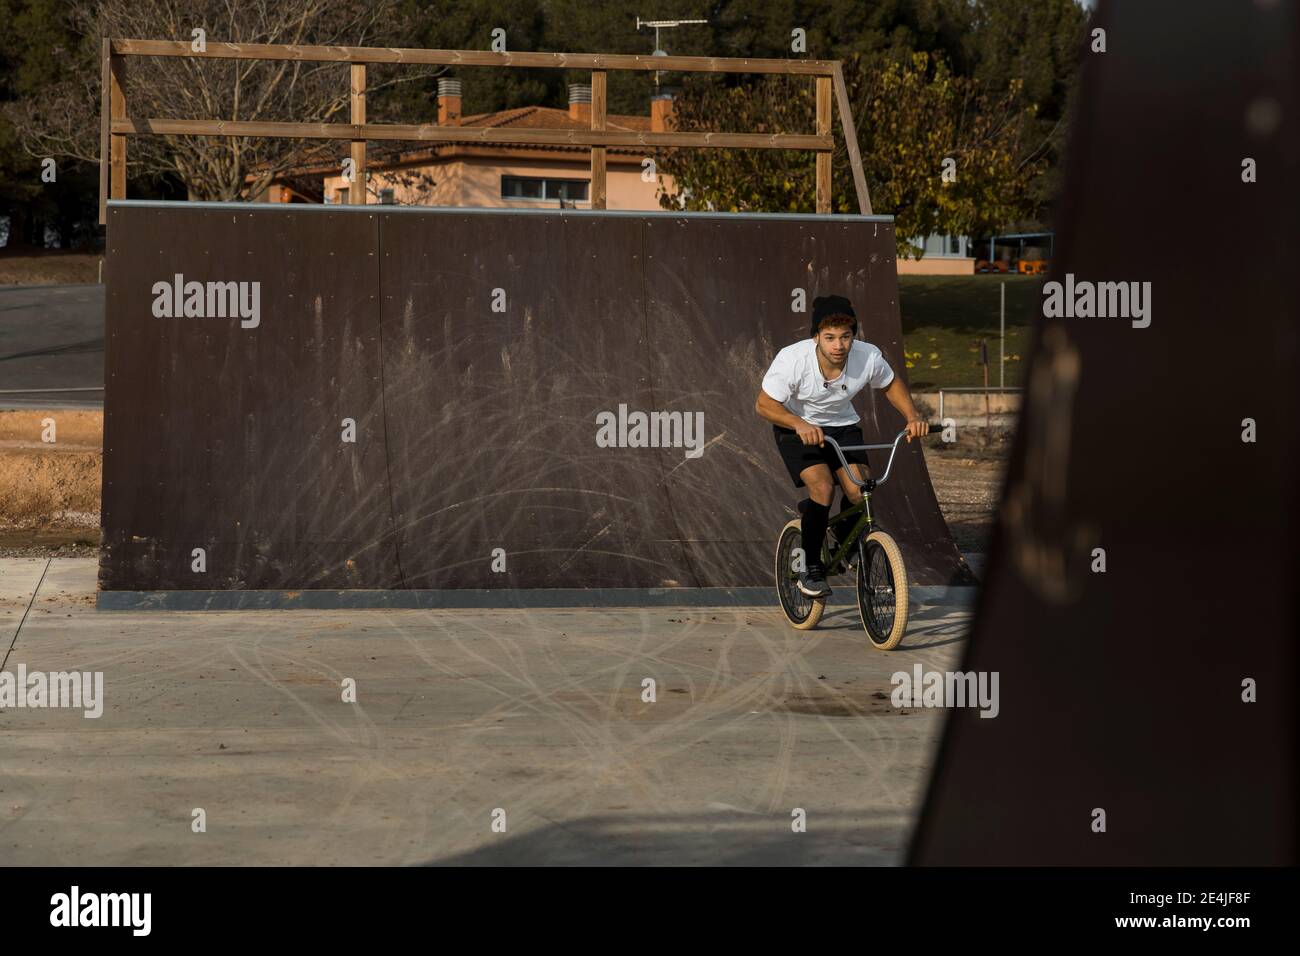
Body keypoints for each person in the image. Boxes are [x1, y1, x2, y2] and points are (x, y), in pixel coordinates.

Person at [755, 294, 929, 598]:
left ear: (854, 336)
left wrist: (912, 416)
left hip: (843, 427)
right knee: (823, 488)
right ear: (816, 338)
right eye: (830, 337)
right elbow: (764, 405)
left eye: (846, 337)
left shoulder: (868, 356)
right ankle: (810, 568)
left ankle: (842, 534)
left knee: (859, 487)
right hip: (797, 428)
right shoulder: (793, 360)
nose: (839, 345)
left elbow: (890, 383)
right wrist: (798, 423)